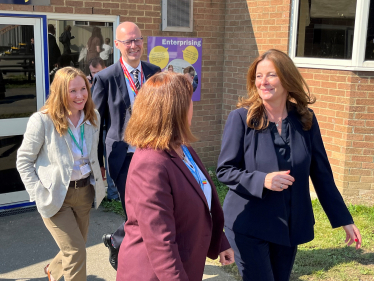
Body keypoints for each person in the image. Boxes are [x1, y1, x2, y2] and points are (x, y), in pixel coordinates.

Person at [216, 49, 362, 281]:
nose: (263, 82)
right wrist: (262, 180)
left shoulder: (305, 119)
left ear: (286, 78)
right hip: (250, 223)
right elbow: (224, 171)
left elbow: (322, 174)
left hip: (289, 226)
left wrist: (344, 218)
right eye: (258, 76)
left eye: (271, 75)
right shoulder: (241, 119)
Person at [116, 71, 234, 280]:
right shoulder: (150, 163)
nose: (193, 107)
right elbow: (160, 243)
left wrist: (220, 241)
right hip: (155, 273)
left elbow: (201, 195)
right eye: (189, 101)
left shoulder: (181, 147)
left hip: (185, 265)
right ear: (175, 110)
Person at [16, 67, 106, 281]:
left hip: (84, 193)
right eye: (72, 91)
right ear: (60, 92)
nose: (80, 95)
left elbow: (94, 153)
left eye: (83, 88)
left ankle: (53, 270)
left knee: (76, 246)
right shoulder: (43, 120)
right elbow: (24, 160)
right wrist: (38, 192)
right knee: (76, 251)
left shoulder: (93, 117)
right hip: (56, 195)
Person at [92, 21, 161, 270]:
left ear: (143, 42)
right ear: (118, 45)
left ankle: (117, 240)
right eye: (128, 41)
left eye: (137, 40)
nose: (133, 46)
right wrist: (98, 162)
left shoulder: (155, 73)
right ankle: (133, 253)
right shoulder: (105, 78)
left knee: (149, 208)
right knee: (134, 211)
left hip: (153, 154)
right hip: (123, 157)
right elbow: (95, 124)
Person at [87, 57, 119, 201]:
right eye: (93, 72)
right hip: (95, 128)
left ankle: (113, 195)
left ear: (105, 69)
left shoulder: (111, 82)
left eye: (98, 72)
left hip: (108, 128)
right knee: (96, 162)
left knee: (110, 163)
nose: (95, 75)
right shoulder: (89, 85)